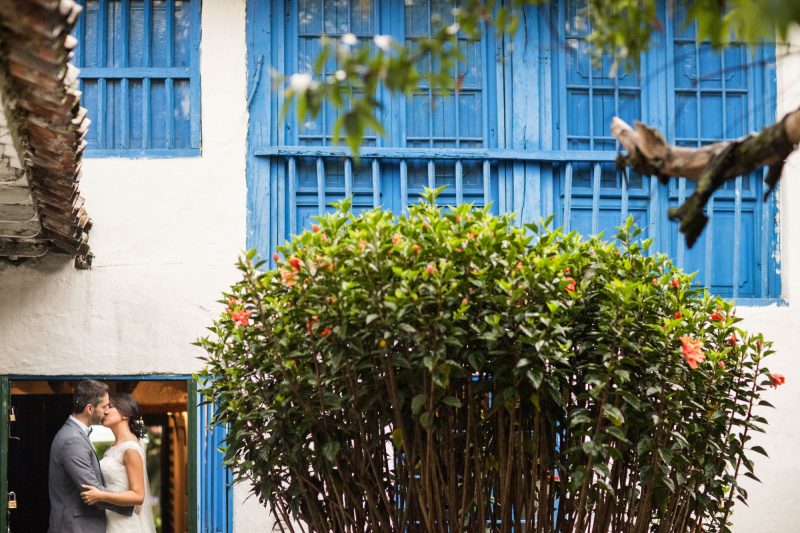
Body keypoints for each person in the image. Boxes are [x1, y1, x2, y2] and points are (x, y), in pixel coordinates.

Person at [49, 380, 134, 533]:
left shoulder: (76, 434)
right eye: (104, 406)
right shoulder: (73, 440)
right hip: (76, 528)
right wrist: (131, 503)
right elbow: (92, 492)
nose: (107, 411)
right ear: (90, 409)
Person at [80, 392, 157, 533]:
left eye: (110, 406)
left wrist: (100, 495)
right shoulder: (114, 447)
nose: (105, 411)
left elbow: (138, 496)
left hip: (125, 525)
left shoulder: (130, 449)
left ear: (125, 414)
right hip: (111, 520)